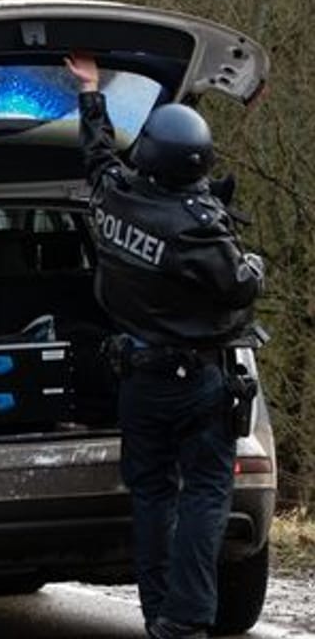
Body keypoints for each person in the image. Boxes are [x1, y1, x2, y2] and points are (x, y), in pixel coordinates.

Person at [65, 54, 265, 639]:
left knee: (151, 497)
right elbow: (242, 283)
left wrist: (91, 93)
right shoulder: (199, 227)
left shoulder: (112, 196)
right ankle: (186, 619)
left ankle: (158, 614)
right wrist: (252, 259)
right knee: (205, 494)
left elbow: (98, 153)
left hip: (137, 379)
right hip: (196, 382)